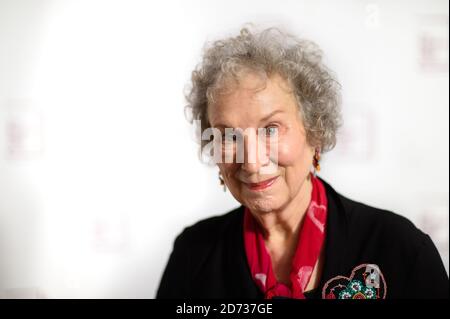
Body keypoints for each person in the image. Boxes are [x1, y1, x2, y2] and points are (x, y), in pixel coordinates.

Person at [156, 26, 448, 299]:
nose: (252, 161)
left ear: (314, 131)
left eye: (270, 129)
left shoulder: (399, 249)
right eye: (229, 136)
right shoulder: (193, 255)